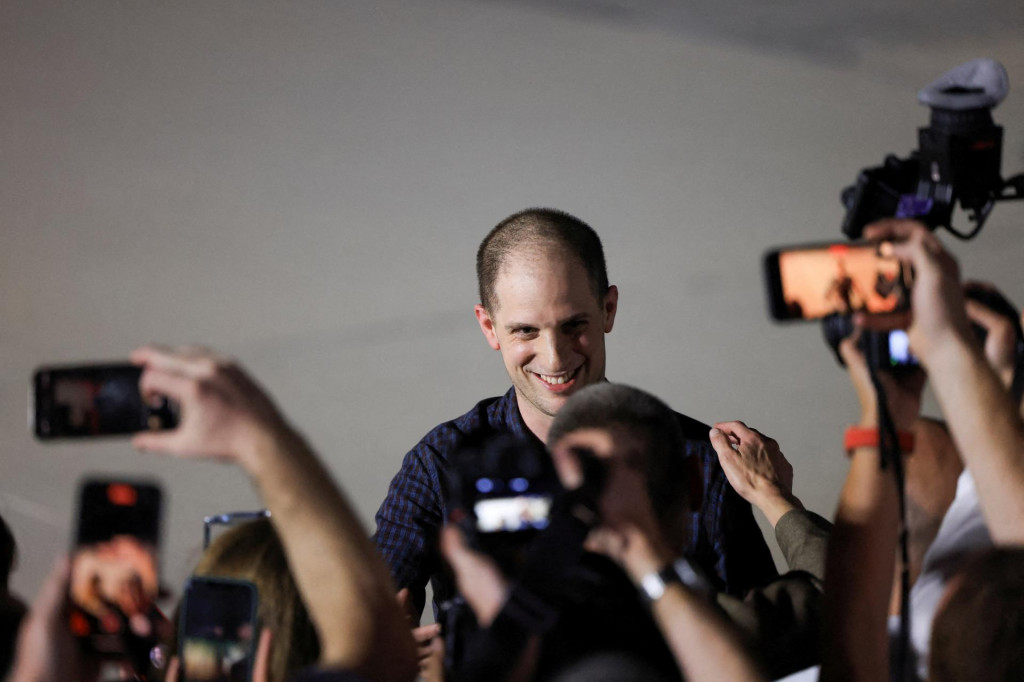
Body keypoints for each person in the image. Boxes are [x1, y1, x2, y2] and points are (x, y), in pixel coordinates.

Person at [373, 207, 777, 621]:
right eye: (526, 330)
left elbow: (770, 645)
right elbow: (375, 618)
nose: (555, 357)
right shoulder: (440, 462)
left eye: (572, 326)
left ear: (609, 309)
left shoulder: (700, 459)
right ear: (489, 327)